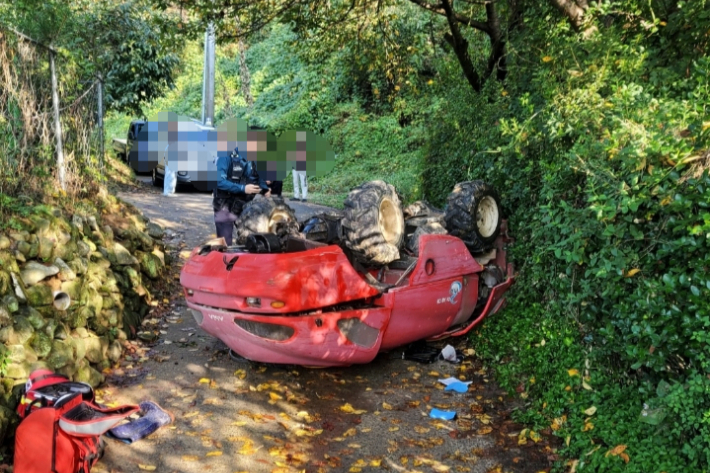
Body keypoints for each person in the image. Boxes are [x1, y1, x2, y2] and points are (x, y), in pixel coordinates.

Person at [213, 147, 270, 245]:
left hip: (244, 206)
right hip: (225, 206)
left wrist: (264, 190)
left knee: (253, 241)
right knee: (225, 244)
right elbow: (218, 181)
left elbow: (258, 176)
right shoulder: (225, 156)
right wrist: (243, 188)